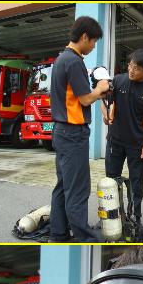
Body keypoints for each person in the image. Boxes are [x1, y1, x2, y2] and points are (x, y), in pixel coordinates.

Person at [49, 16, 110, 243]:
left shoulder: (61, 59)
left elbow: (77, 97)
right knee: (78, 189)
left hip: (62, 131)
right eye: (93, 41)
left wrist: (96, 93)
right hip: (73, 133)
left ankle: (58, 234)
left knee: (63, 186)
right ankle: (84, 237)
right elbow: (85, 99)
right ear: (84, 36)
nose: (93, 46)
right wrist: (101, 88)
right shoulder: (74, 61)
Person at [100, 49, 143, 224]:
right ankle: (113, 217)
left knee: (137, 182)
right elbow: (103, 100)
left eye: (137, 68)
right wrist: (105, 114)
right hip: (115, 141)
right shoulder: (118, 80)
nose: (131, 70)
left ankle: (135, 217)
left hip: (137, 144)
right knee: (111, 180)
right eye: (130, 65)